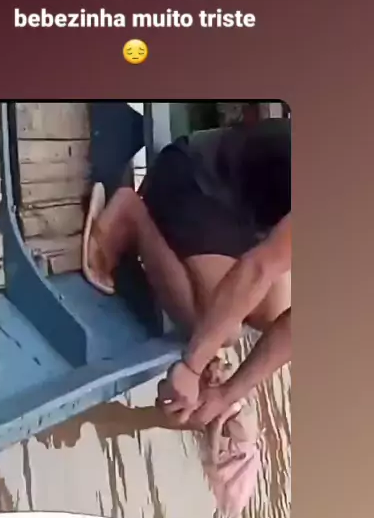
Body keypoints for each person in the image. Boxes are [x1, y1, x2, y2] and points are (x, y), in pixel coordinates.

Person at [82, 115, 291, 427]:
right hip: (192, 177)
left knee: (275, 313)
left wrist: (225, 396)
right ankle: (132, 217)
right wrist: (194, 365)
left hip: (241, 214)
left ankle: (183, 265)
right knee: (220, 330)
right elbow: (258, 269)